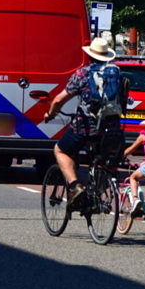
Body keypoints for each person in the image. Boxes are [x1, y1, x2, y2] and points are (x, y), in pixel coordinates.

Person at [42, 37, 122, 207]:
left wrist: (50, 114)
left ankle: (75, 186)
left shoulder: (82, 74)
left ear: (90, 56)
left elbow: (58, 100)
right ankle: (98, 194)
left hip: (86, 127)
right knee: (101, 158)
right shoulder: (117, 74)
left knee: (61, 150)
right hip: (111, 128)